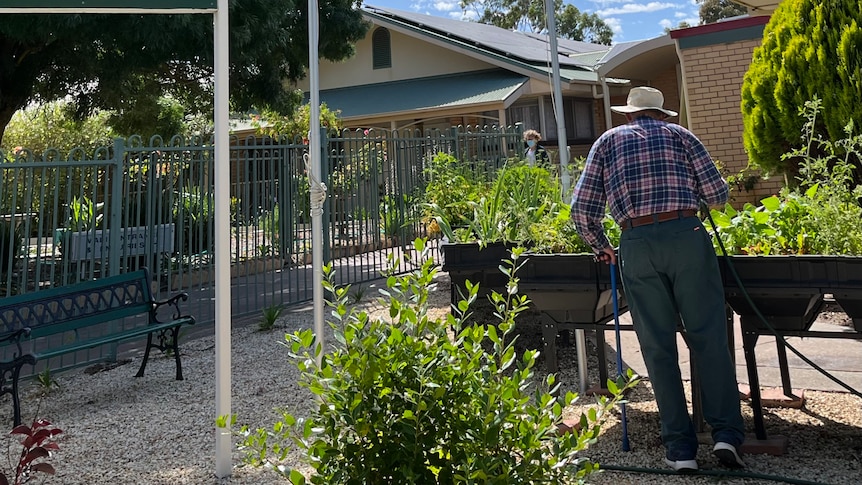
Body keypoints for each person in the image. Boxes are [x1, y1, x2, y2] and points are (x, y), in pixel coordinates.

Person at [569, 86, 746, 473]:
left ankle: (681, 450)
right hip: (687, 237)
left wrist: (604, 248)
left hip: (636, 242)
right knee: (709, 338)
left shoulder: (607, 141)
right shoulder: (683, 136)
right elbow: (717, 195)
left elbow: (582, 211)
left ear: (629, 115)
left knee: (657, 346)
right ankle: (726, 436)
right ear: (661, 114)